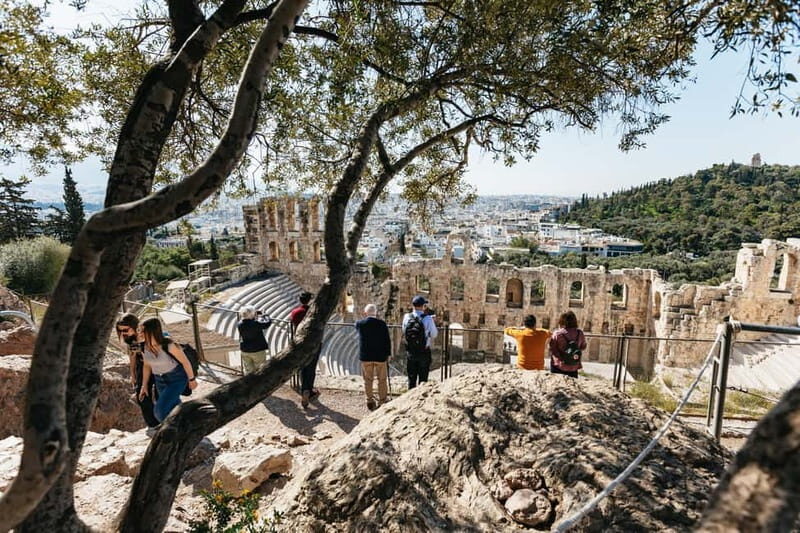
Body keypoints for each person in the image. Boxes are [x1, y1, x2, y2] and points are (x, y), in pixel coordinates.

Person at [137, 317, 197, 422]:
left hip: (176, 379)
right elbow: (147, 366)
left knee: (159, 411)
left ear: (151, 331)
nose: (139, 333)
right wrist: (144, 385)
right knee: (173, 408)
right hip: (159, 381)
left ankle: (172, 430)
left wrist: (191, 379)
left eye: (142, 331)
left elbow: (185, 362)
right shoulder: (143, 347)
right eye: (139, 330)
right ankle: (188, 425)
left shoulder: (168, 345)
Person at [116, 313, 158, 429]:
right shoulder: (130, 339)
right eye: (120, 331)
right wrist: (133, 375)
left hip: (156, 365)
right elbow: (132, 357)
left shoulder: (146, 335)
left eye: (125, 330)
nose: (123, 333)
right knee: (142, 397)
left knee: (160, 394)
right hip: (142, 365)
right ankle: (153, 424)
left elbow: (150, 360)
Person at [355, 304, 392, 410]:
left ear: (365, 313)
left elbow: (356, 326)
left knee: (368, 379)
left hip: (366, 356)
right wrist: (388, 354)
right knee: (382, 379)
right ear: (376, 313)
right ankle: (382, 400)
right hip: (380, 356)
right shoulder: (382, 324)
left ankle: (369, 401)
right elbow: (387, 340)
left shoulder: (360, 324)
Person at [289, 291, 321, 408]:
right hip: (313, 342)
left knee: (302, 367)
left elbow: (292, 321)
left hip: (299, 342)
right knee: (311, 367)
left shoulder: (295, 312)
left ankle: (304, 390)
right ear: (310, 300)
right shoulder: (314, 312)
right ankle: (309, 390)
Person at [401, 295, 438, 389]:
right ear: (423, 306)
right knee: (423, 380)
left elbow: (404, 331)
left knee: (411, 379)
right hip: (423, 351)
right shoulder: (428, 318)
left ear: (413, 305)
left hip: (411, 351)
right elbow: (434, 334)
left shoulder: (406, 317)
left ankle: (410, 396)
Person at [549, 310, 587, 378]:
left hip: (559, 366)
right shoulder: (580, 333)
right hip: (574, 366)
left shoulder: (557, 334)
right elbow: (583, 346)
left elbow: (552, 349)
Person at [237, 305, 272, 374]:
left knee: (248, 371)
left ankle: (249, 380)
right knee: (260, 370)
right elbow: (267, 323)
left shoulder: (240, 324)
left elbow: (248, 320)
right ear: (252, 314)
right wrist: (265, 315)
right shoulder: (255, 324)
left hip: (245, 350)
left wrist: (254, 314)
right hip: (257, 350)